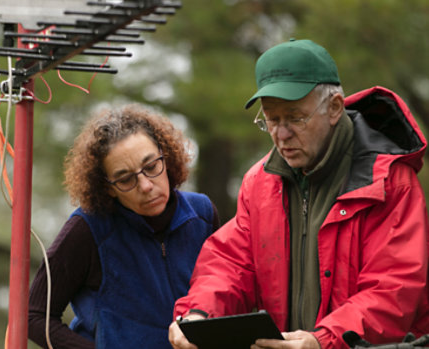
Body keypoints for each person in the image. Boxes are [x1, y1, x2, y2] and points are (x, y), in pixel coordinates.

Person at [168, 39, 429, 349]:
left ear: (334, 108)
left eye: (294, 118)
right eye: (272, 119)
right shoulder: (259, 182)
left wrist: (322, 341)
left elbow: (393, 291)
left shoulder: (390, 182)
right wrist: (199, 315)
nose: (281, 134)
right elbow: (232, 264)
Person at [28, 103, 220, 349]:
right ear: (108, 187)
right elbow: (34, 317)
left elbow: (223, 294)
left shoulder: (202, 214)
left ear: (166, 155)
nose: (146, 186)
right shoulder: (88, 229)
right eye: (126, 179)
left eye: (151, 167)